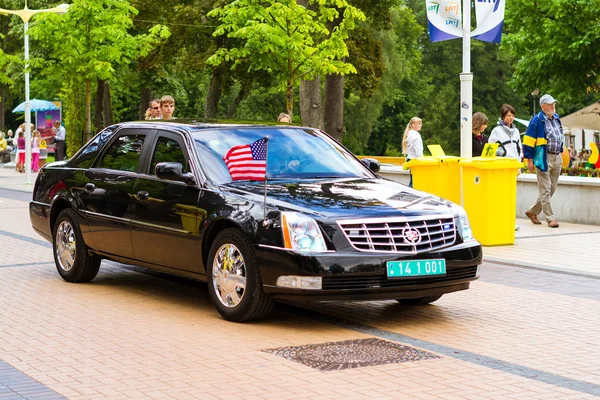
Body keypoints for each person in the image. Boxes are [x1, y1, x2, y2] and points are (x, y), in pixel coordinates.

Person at [523, 94, 563, 228]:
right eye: (550, 104)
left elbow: (559, 135)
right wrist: (529, 160)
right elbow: (528, 141)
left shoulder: (556, 118)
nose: (553, 106)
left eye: (554, 104)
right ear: (543, 106)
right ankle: (550, 218)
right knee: (545, 189)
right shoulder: (536, 120)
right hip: (543, 157)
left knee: (552, 188)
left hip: (557, 156)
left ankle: (532, 211)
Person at [488, 104, 523, 231]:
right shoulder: (496, 131)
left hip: (513, 166)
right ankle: (501, 220)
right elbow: (491, 147)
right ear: (503, 117)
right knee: (501, 195)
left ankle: (511, 221)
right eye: (509, 115)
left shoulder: (516, 131)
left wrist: (519, 166)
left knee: (511, 196)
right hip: (502, 166)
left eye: (513, 115)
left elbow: (519, 149)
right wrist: (501, 153)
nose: (511, 118)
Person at [402, 116, 423, 187]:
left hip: (410, 159)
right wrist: (422, 161)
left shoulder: (409, 134)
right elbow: (419, 151)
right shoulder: (416, 135)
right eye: (419, 124)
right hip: (416, 160)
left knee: (412, 180)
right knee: (415, 182)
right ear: (413, 125)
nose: (421, 125)